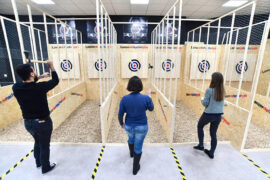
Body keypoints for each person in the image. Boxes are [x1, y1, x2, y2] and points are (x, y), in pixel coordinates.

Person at [13, 61, 59, 174]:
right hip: (42, 123)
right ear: (32, 74)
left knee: (37, 142)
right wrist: (51, 66)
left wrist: (40, 76)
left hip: (28, 124)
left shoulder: (16, 87)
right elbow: (55, 81)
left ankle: (38, 163)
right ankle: (46, 167)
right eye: (33, 70)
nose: (35, 71)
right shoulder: (40, 87)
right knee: (44, 145)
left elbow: (28, 84)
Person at [118, 76, 154, 175]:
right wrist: (149, 97)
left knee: (131, 138)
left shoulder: (124, 99)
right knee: (138, 146)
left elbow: (120, 114)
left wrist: (121, 123)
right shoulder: (146, 98)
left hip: (129, 125)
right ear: (140, 86)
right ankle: (135, 169)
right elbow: (151, 108)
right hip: (142, 126)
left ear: (129, 85)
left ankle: (131, 154)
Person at [193, 72, 225, 159]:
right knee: (213, 134)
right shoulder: (222, 91)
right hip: (218, 116)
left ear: (213, 80)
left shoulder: (209, 90)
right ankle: (211, 153)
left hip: (209, 114)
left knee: (200, 126)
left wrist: (202, 99)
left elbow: (205, 103)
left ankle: (201, 145)